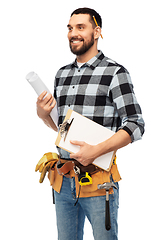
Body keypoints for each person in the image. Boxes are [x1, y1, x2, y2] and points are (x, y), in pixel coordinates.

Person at [36, 7, 145, 240]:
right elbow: (61, 127)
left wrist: (94, 151)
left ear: (96, 32)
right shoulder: (62, 74)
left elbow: (136, 124)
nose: (72, 33)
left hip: (99, 183)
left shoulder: (115, 73)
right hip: (63, 183)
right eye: (70, 28)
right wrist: (43, 114)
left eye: (80, 27)